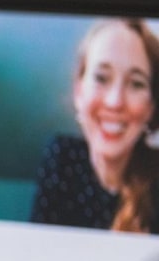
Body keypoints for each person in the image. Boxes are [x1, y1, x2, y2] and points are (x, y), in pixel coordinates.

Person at [30, 18, 159, 234]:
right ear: (79, 91)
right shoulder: (62, 157)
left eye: (136, 83)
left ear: (151, 107)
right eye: (101, 78)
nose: (115, 101)